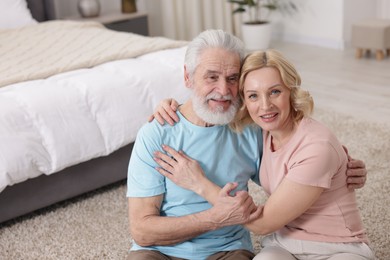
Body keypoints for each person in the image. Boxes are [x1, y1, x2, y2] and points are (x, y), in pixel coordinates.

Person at [127, 29, 367, 260]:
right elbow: (142, 231)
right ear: (188, 77)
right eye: (211, 77)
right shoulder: (157, 132)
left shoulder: (249, 130)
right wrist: (214, 217)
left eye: (232, 79)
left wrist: (341, 165)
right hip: (159, 251)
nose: (222, 90)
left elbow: (303, 153)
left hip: (227, 249)